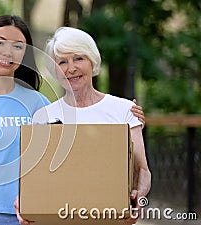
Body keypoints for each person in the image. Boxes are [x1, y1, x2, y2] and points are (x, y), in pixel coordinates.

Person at [0, 16, 146, 225]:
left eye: (17, 46)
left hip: (17, 214)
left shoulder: (40, 106)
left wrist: (131, 118)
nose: (7, 52)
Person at [15, 27, 151, 225]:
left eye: (78, 58)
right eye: (62, 62)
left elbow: (143, 170)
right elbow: (34, 178)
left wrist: (139, 200)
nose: (71, 68)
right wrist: (24, 204)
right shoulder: (44, 116)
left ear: (92, 62)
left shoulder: (124, 110)